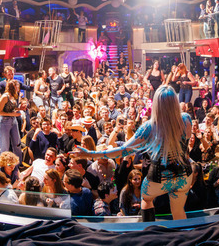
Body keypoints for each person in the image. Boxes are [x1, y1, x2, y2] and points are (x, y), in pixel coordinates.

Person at [73, 85, 192, 221]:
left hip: (159, 179)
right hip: (183, 176)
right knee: (178, 210)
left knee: (146, 199)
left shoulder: (149, 127)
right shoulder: (186, 119)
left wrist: (90, 154)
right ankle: (183, 234)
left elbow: (122, 151)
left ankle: (149, 230)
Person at [0, 79, 24, 158]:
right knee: (5, 146)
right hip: (4, 121)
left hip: (13, 120)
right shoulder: (5, 97)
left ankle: (18, 162)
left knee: (17, 143)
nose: (18, 88)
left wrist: (19, 109)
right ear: (13, 87)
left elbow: (10, 108)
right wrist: (12, 114)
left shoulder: (14, 95)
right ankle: (4, 163)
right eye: (17, 86)